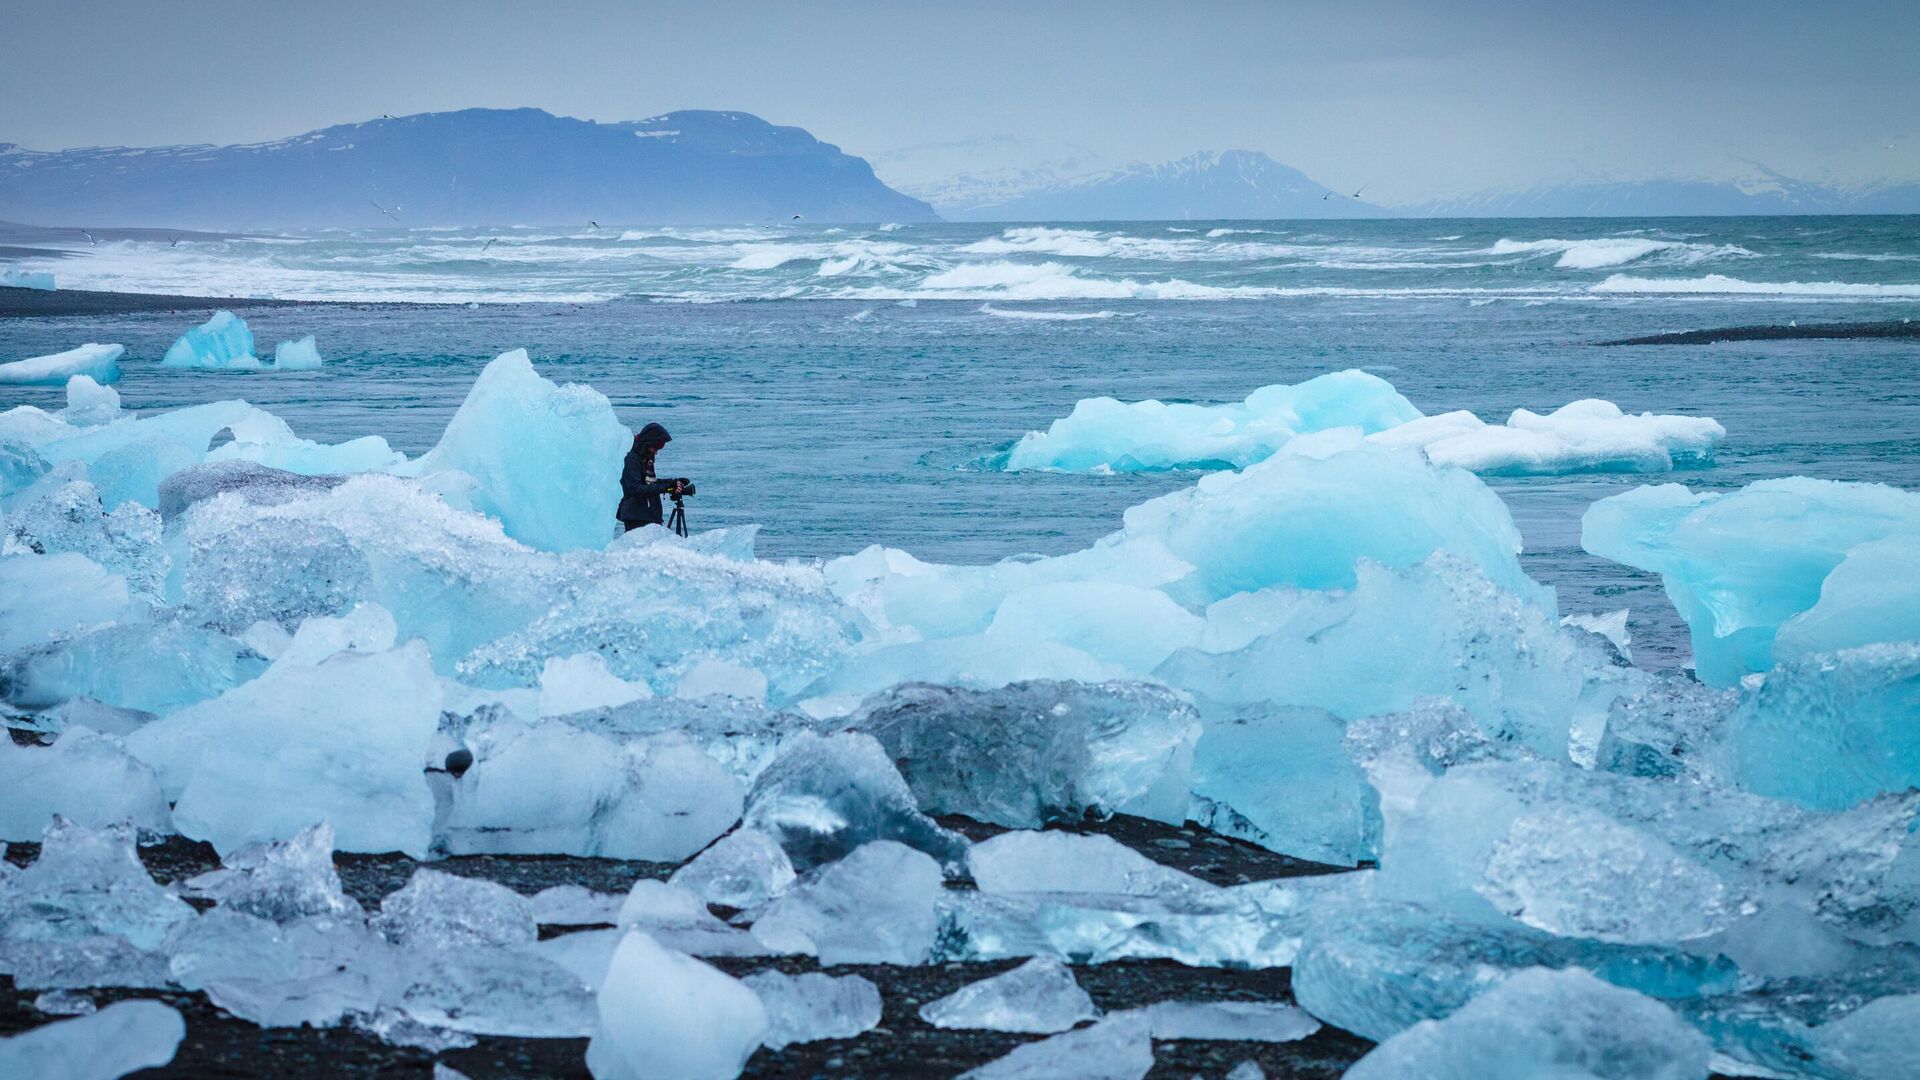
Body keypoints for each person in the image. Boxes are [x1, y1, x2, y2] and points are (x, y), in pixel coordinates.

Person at [617, 422, 686, 532]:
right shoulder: (631, 459)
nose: (656, 452)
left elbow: (648, 483)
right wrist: (667, 487)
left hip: (648, 515)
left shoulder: (644, 457)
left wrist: (671, 483)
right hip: (637, 517)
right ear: (647, 444)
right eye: (655, 448)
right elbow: (636, 489)